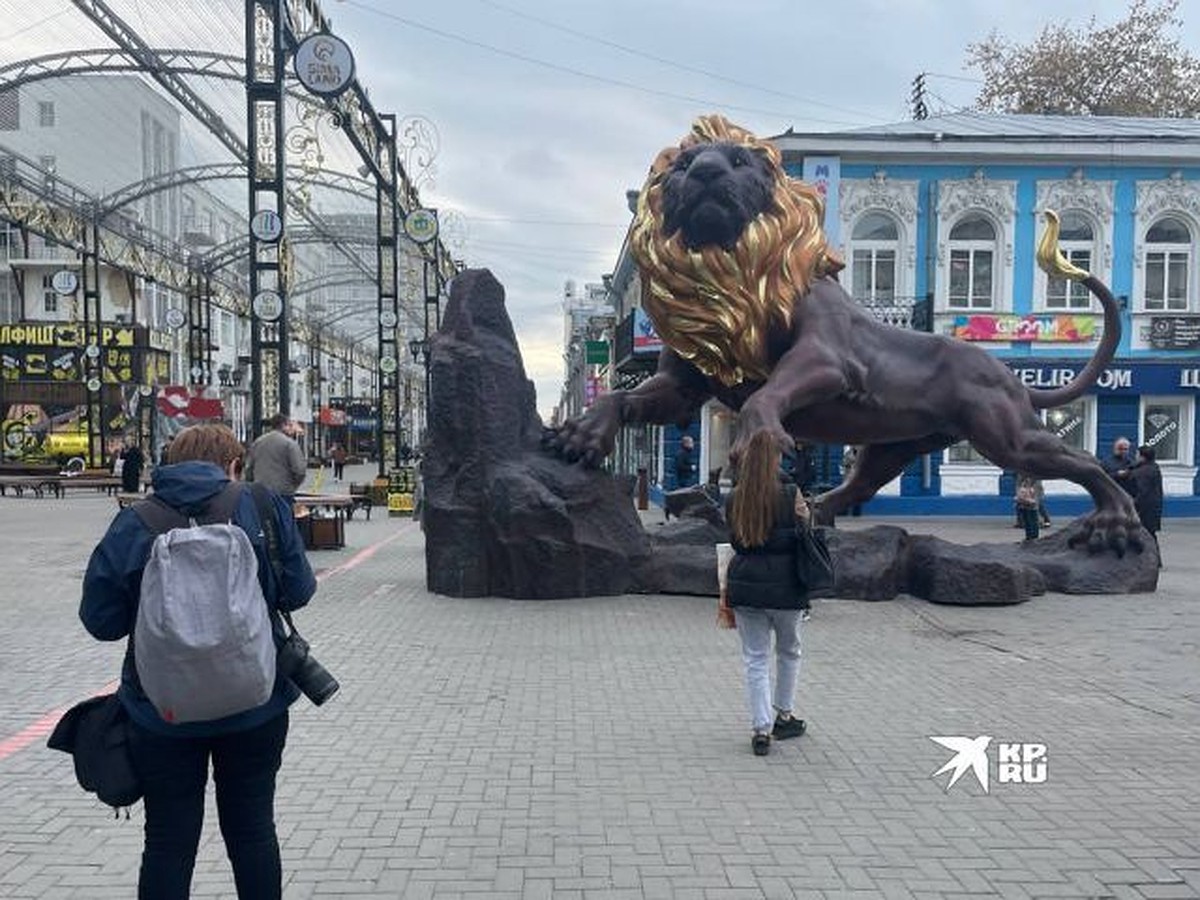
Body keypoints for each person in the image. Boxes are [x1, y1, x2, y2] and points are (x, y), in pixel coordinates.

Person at [79, 423, 317, 899]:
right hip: (256, 703)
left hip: (160, 712)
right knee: (252, 831)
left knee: (168, 842)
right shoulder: (263, 506)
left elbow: (100, 620)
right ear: (233, 466)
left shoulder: (136, 520)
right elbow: (300, 591)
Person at [718, 433, 810, 757]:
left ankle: (760, 729)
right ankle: (783, 716)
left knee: (755, 659)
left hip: (746, 586)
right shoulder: (790, 494)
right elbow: (806, 531)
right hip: (788, 588)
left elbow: (734, 540)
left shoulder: (735, 498)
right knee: (789, 651)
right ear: (775, 460)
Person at [245, 413, 307, 499]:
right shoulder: (289, 444)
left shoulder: (258, 442)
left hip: (259, 492)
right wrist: (293, 485)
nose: (291, 429)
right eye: (289, 425)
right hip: (283, 492)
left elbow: (249, 469)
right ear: (283, 425)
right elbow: (300, 470)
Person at [1130, 444, 1164, 564]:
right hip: (1155, 505)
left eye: (1137, 454)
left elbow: (1142, 491)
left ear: (1142, 457)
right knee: (1150, 533)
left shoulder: (1142, 472)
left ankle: (1147, 559)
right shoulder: (1154, 467)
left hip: (1144, 507)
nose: (1135, 456)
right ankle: (1155, 559)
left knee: (1143, 533)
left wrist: (1134, 504)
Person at [1015, 474, 1041, 542]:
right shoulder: (1021, 476)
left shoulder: (1035, 479)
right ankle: (1029, 537)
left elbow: (1037, 488)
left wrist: (1034, 499)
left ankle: (1034, 537)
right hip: (1023, 498)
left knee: (1032, 518)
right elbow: (1018, 484)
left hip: (1031, 499)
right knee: (1026, 518)